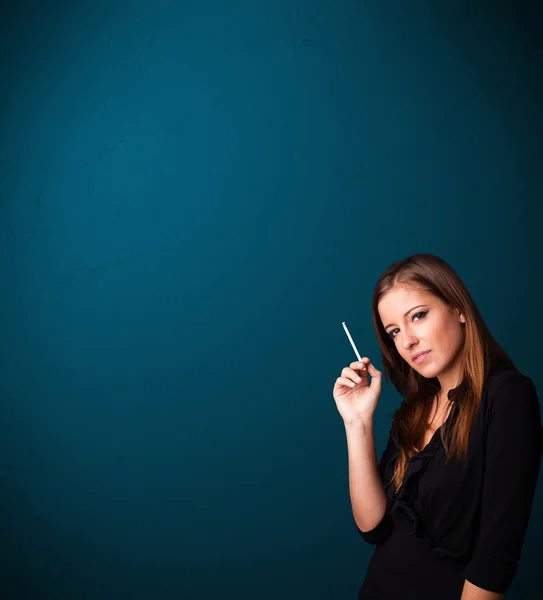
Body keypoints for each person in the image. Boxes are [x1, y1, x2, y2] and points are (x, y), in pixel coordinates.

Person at [333, 253, 542, 600]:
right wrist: (357, 422)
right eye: (394, 331)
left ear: (458, 309)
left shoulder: (508, 396)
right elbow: (374, 527)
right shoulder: (414, 409)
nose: (407, 341)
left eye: (418, 316)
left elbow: (496, 556)